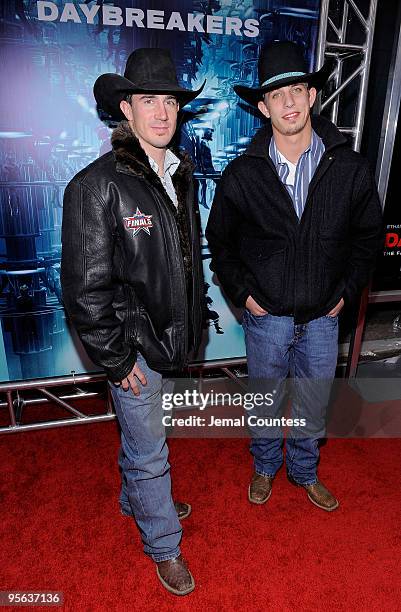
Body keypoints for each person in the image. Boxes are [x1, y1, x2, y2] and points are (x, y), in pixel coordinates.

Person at [206, 41, 382, 512]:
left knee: (313, 403)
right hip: (268, 318)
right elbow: (219, 242)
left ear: (311, 97)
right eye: (277, 94)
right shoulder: (242, 174)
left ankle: (304, 471)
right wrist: (244, 294)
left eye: (297, 90)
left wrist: (345, 293)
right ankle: (265, 466)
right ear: (262, 108)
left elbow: (368, 239)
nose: (288, 101)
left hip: (325, 316)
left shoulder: (350, 167)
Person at [61, 48, 205, 596]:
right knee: (151, 453)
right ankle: (164, 544)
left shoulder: (180, 174)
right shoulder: (95, 185)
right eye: (150, 101)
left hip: (172, 341)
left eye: (169, 101)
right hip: (135, 351)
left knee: (145, 444)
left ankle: (140, 499)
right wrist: (118, 361)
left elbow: (183, 263)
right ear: (127, 109)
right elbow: (84, 288)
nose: (163, 112)